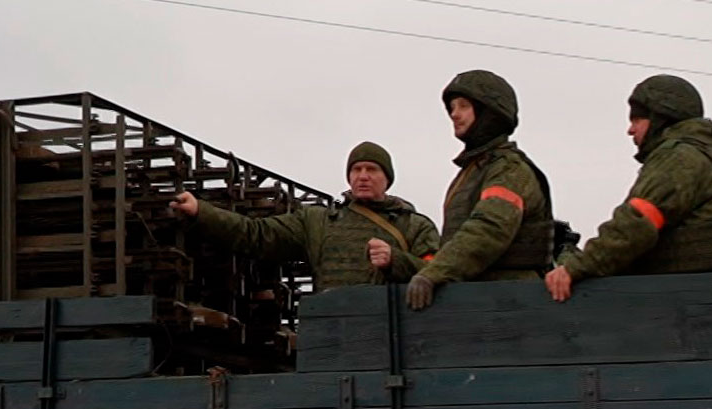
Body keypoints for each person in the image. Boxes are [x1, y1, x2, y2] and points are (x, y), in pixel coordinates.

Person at [545, 74, 712, 302]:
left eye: (637, 119)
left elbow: (636, 224)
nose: (630, 130)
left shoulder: (679, 158)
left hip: (680, 301)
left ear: (661, 118)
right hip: (702, 296)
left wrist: (574, 268)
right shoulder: (703, 156)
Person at [171, 142, 437, 293]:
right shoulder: (318, 221)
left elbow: (440, 275)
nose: (363, 176)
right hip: (333, 329)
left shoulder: (414, 226)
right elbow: (256, 235)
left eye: (372, 169)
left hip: (396, 336)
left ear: (387, 178)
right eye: (356, 169)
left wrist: (396, 261)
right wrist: (201, 212)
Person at [406, 70, 555, 310]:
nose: (454, 114)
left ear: (489, 112)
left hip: (512, 301)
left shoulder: (508, 169)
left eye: (463, 106)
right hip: (481, 297)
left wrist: (434, 273)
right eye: (452, 108)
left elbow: (489, 228)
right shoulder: (473, 172)